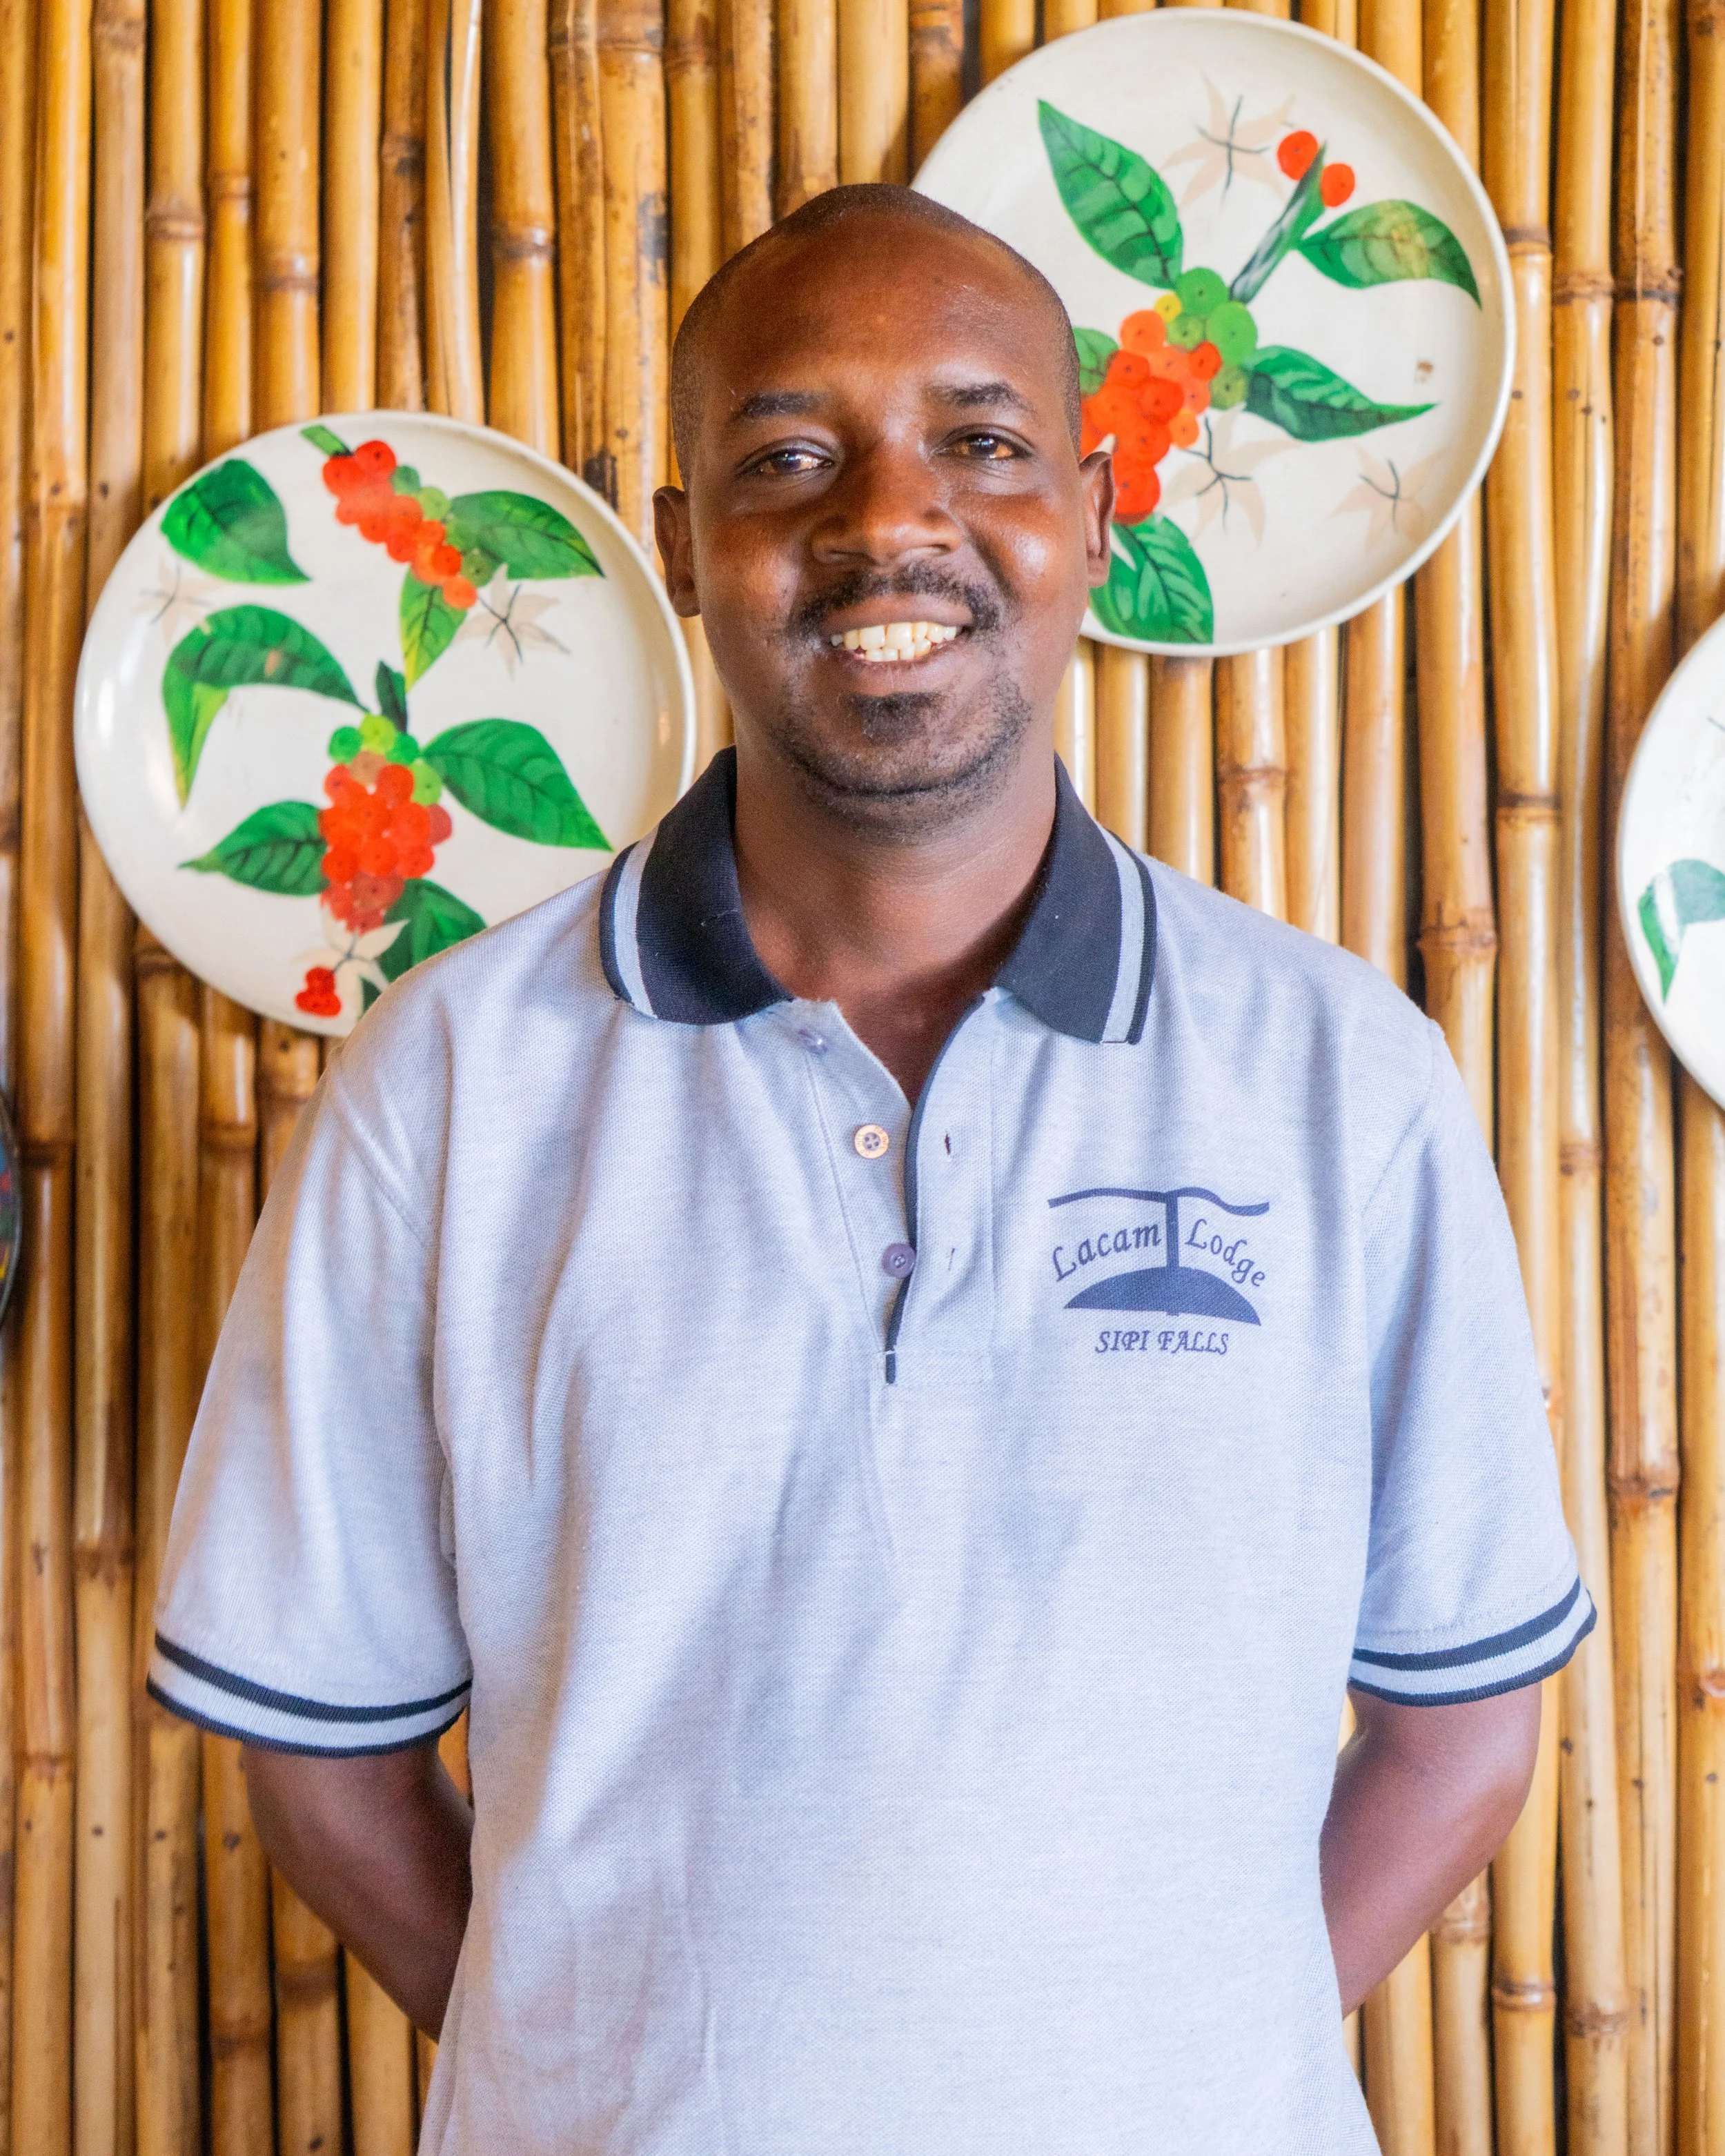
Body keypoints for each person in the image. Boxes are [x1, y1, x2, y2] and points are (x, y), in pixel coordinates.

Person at [150, 186, 1593, 2153]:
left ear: (1091, 510)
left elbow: (1457, 1732)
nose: (884, 519)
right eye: (787, 457)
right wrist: (588, 2054)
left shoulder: (1338, 1081)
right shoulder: (454, 1087)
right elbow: (325, 1763)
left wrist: (1167, 2061)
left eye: (979, 441)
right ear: (686, 549)